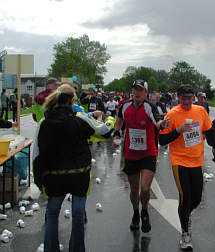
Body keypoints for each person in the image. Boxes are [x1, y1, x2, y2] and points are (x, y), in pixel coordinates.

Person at [32, 84, 105, 252]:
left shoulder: (44, 122)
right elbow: (102, 132)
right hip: (78, 176)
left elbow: (37, 153)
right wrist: (108, 120)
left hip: (54, 177)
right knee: (78, 215)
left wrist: (38, 180)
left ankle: (51, 249)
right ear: (72, 101)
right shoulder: (79, 119)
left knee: (51, 214)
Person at [159, 84, 215, 250]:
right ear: (178, 98)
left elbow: (210, 133)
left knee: (196, 198)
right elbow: (162, 141)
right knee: (185, 196)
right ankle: (185, 233)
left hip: (197, 161)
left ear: (194, 97)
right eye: (183, 98)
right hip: (179, 161)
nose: (186, 101)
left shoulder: (200, 111)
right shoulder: (172, 114)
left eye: (189, 97)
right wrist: (178, 131)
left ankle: (185, 215)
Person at [112, 80, 168, 233]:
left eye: (140, 90)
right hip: (131, 153)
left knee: (144, 188)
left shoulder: (150, 106)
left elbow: (157, 121)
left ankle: (145, 210)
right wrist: (117, 132)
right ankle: (136, 212)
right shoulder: (124, 106)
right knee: (134, 188)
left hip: (148, 152)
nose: (137, 92)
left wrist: (161, 124)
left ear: (145, 93)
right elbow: (119, 120)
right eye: (135, 89)